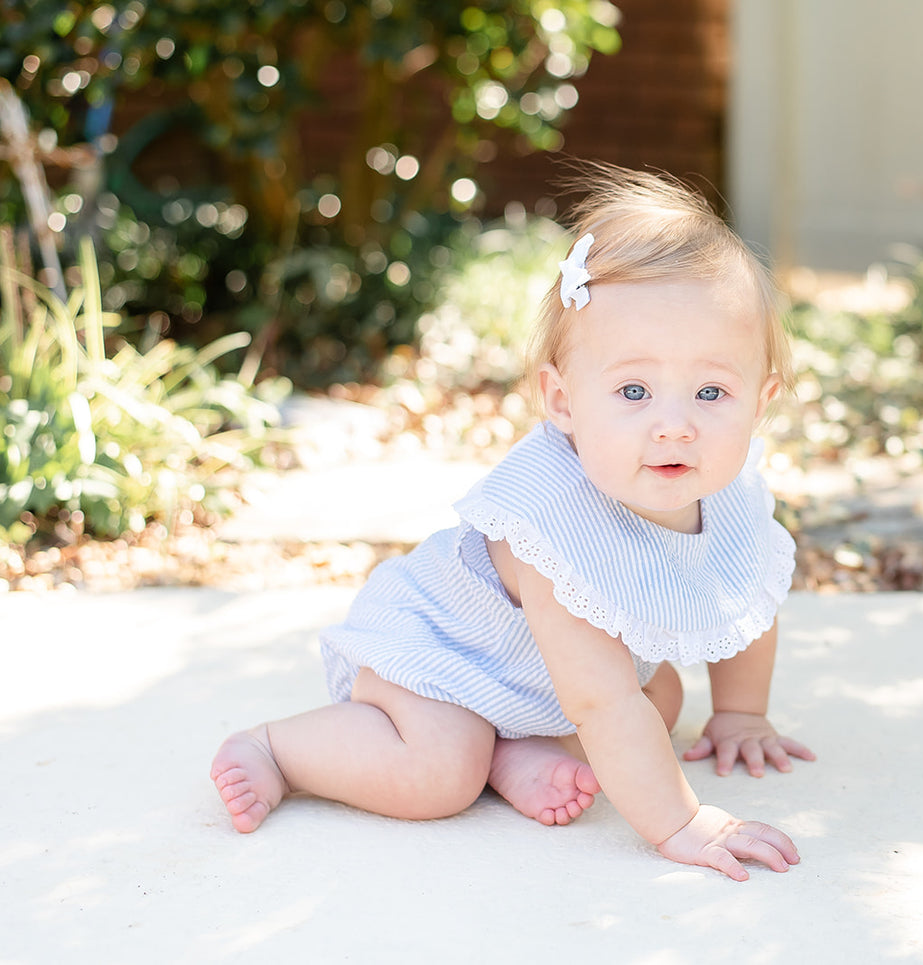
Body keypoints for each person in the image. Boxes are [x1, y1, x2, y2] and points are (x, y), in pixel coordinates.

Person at [210, 165, 814, 882]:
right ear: (560, 400)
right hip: (442, 658)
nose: (675, 426)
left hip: (540, 681)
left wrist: (740, 714)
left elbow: (741, 595)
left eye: (711, 390)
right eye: (632, 390)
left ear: (760, 399)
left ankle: (514, 747)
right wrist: (681, 820)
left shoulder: (730, 488)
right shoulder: (556, 526)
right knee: (441, 770)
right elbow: (599, 697)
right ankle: (279, 749)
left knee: (662, 699)